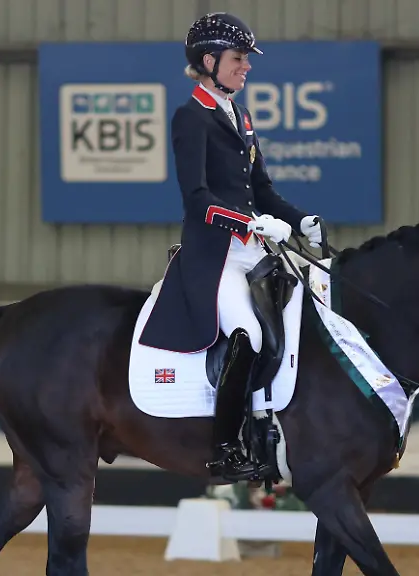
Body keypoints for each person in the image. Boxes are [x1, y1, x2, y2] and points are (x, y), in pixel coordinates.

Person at [137, 12, 325, 482]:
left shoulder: (240, 116)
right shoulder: (191, 117)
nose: (246, 66)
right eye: (238, 58)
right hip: (214, 255)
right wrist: (248, 222)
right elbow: (197, 198)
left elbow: (262, 191)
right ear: (210, 61)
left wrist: (300, 220)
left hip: (253, 250)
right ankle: (224, 447)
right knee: (249, 333)